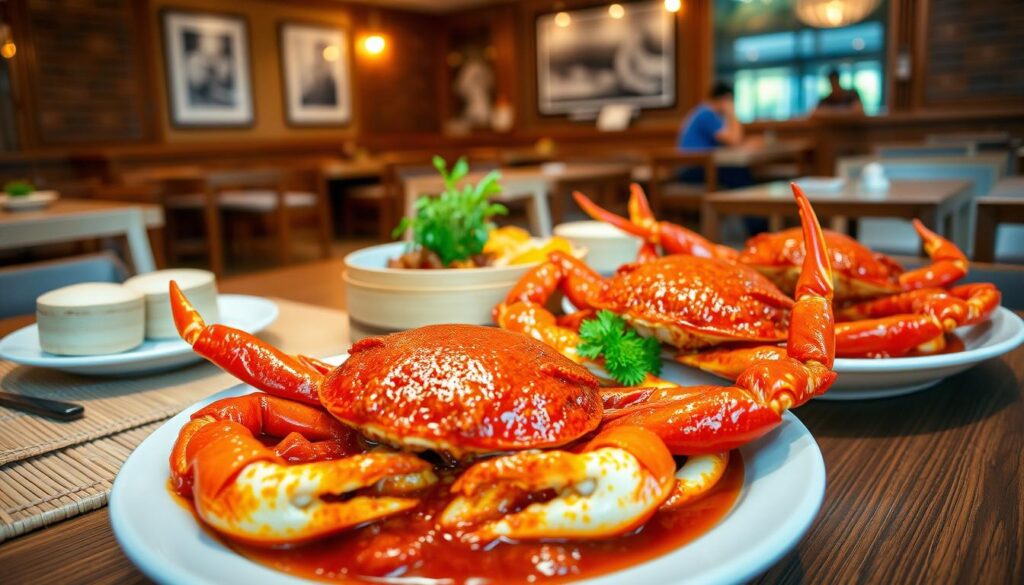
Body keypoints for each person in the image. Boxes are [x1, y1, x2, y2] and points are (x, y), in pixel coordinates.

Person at [676, 81, 751, 189]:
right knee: (739, 174)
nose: (732, 105)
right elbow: (734, 141)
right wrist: (731, 113)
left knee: (740, 172)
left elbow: (733, 142)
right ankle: (747, 205)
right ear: (726, 99)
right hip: (692, 169)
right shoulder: (707, 114)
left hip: (700, 166)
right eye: (731, 101)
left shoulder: (709, 114)